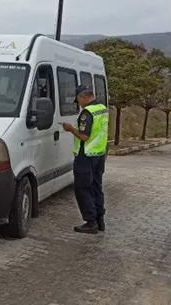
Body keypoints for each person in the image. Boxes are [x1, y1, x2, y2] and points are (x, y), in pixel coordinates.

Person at [62, 85, 109, 234]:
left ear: (83, 97)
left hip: (86, 156)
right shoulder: (102, 108)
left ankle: (90, 222)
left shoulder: (87, 113)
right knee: (96, 187)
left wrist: (70, 129)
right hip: (99, 155)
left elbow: (84, 136)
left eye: (78, 100)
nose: (78, 103)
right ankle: (100, 220)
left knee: (83, 189)